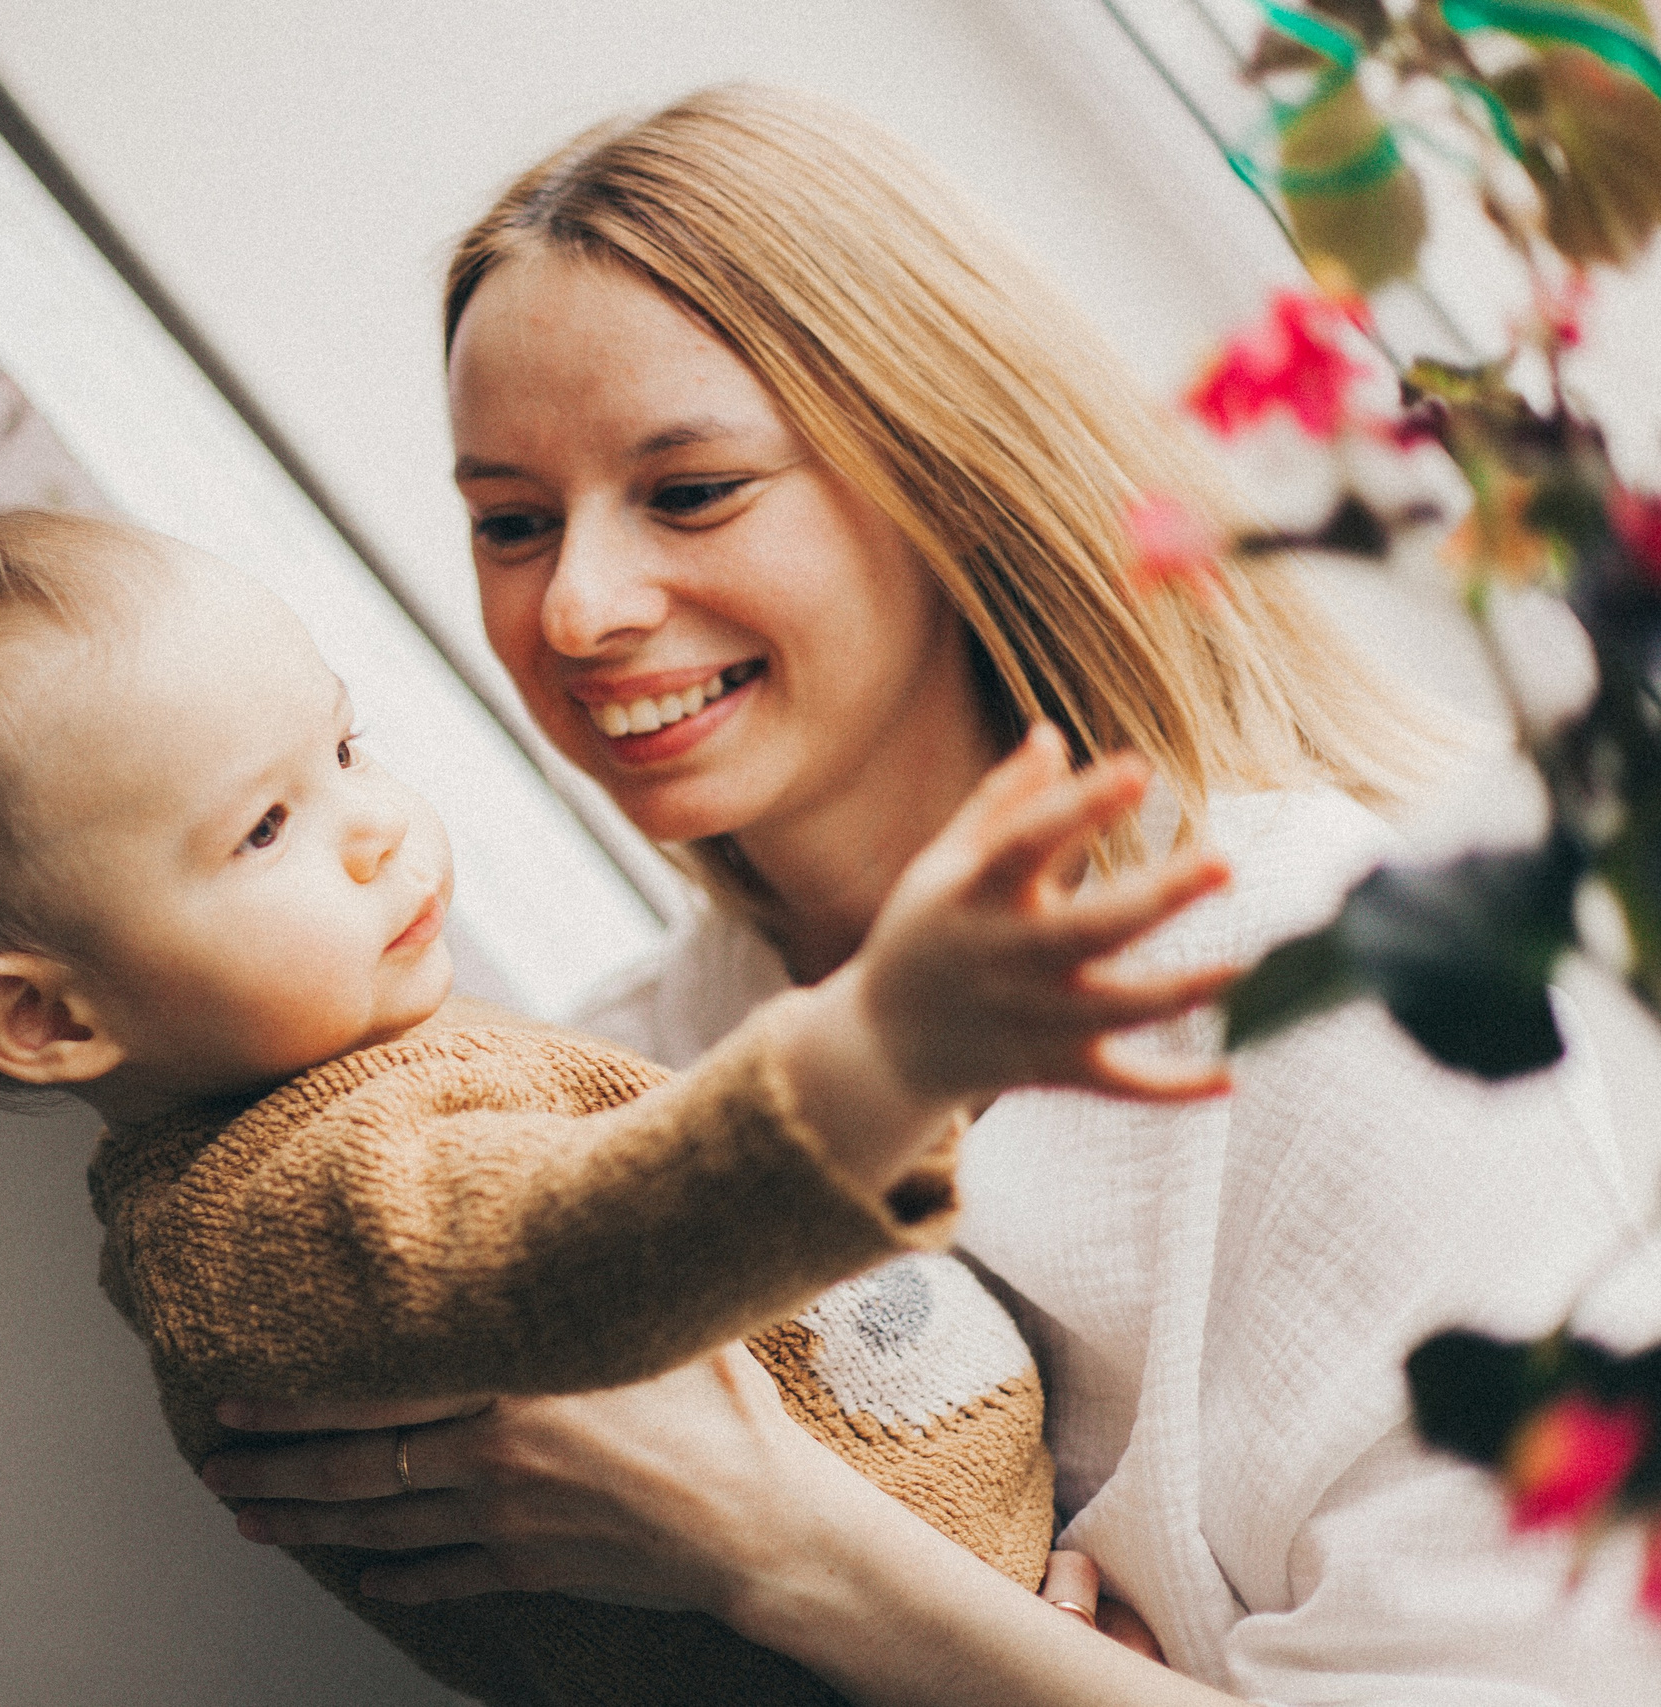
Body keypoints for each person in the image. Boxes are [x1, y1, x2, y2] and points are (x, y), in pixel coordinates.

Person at [196, 87, 1655, 1703]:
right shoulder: (611, 1089)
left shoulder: (1364, 978)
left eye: (691, 492)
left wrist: (785, 1550)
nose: (584, 608)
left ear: (941, 471)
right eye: (512, 524)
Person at [0, 507, 1246, 1704]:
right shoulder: (274, 1218)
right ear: (52, 1016)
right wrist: (884, 1053)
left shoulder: (359, 1081)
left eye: (343, 749)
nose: (376, 823)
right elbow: (583, 1257)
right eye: (266, 826)